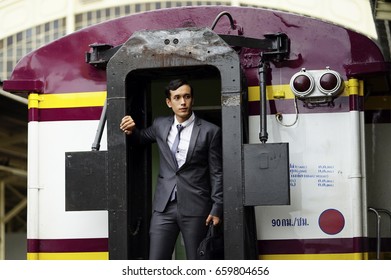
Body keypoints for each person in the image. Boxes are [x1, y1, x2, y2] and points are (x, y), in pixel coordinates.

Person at [119, 78, 223, 260]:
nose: (183, 102)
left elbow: (217, 173)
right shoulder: (160, 125)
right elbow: (140, 138)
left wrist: (217, 206)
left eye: (187, 96)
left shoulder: (210, 131)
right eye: (177, 98)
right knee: (157, 262)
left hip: (196, 207)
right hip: (163, 208)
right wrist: (132, 129)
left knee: (198, 262)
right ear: (169, 102)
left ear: (192, 99)